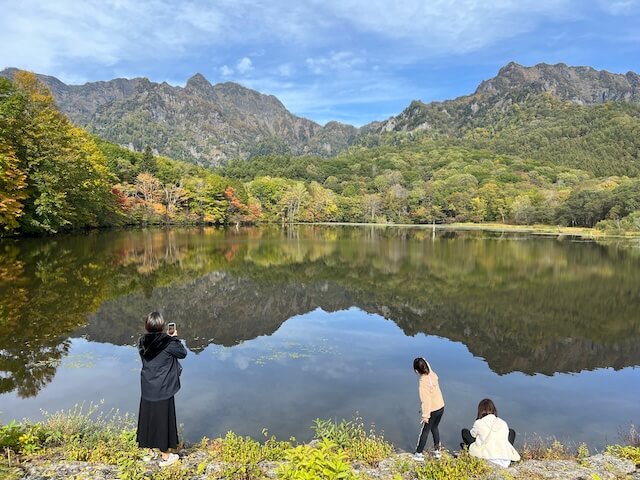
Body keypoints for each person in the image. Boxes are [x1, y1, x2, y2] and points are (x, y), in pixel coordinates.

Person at [136, 311, 187, 467]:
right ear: (162, 326)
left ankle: (149, 452)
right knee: (164, 420)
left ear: (147, 326)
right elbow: (182, 353)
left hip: (147, 386)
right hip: (163, 387)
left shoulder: (141, 341)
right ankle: (165, 457)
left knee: (148, 418)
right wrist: (174, 338)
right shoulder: (169, 342)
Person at [461, 398, 520, 468]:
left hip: (487, 458)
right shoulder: (503, 422)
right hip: (505, 460)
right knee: (511, 432)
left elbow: (472, 434)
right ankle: (504, 451)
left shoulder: (479, 422)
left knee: (465, 431)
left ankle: (466, 449)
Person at [412, 357, 445, 462]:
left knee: (425, 431)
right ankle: (437, 452)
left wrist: (425, 416)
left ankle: (419, 453)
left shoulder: (423, 383)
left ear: (417, 371)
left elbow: (426, 401)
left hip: (432, 410)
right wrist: (423, 359)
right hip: (441, 407)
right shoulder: (433, 375)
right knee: (434, 428)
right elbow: (428, 366)